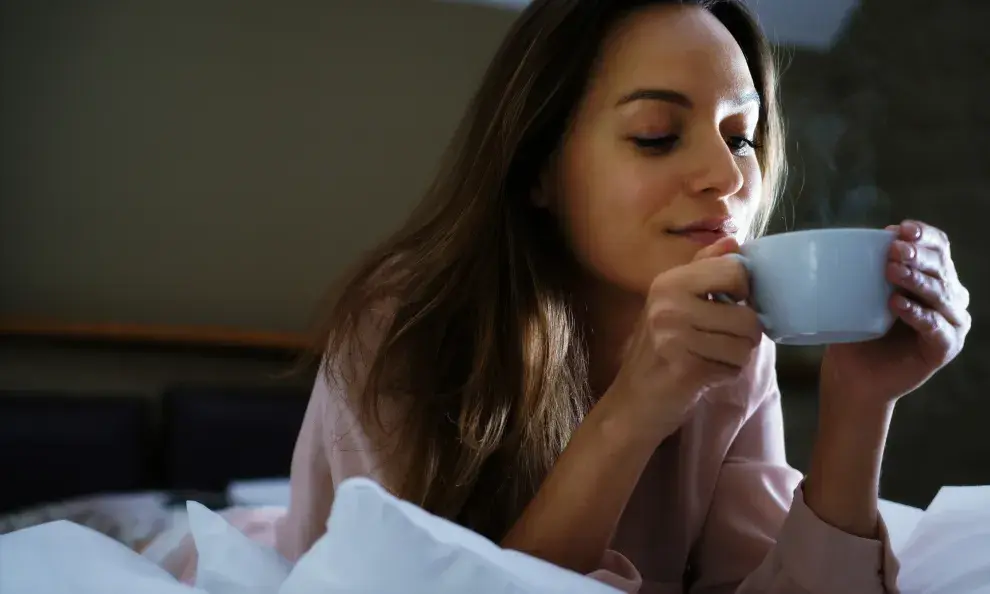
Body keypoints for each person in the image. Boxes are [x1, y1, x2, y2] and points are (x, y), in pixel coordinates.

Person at [159, 1, 971, 592]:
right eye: (657, 135)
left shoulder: (734, 336)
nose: (727, 179)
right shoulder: (411, 323)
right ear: (540, 167)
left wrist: (861, 404)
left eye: (742, 137)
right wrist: (637, 406)